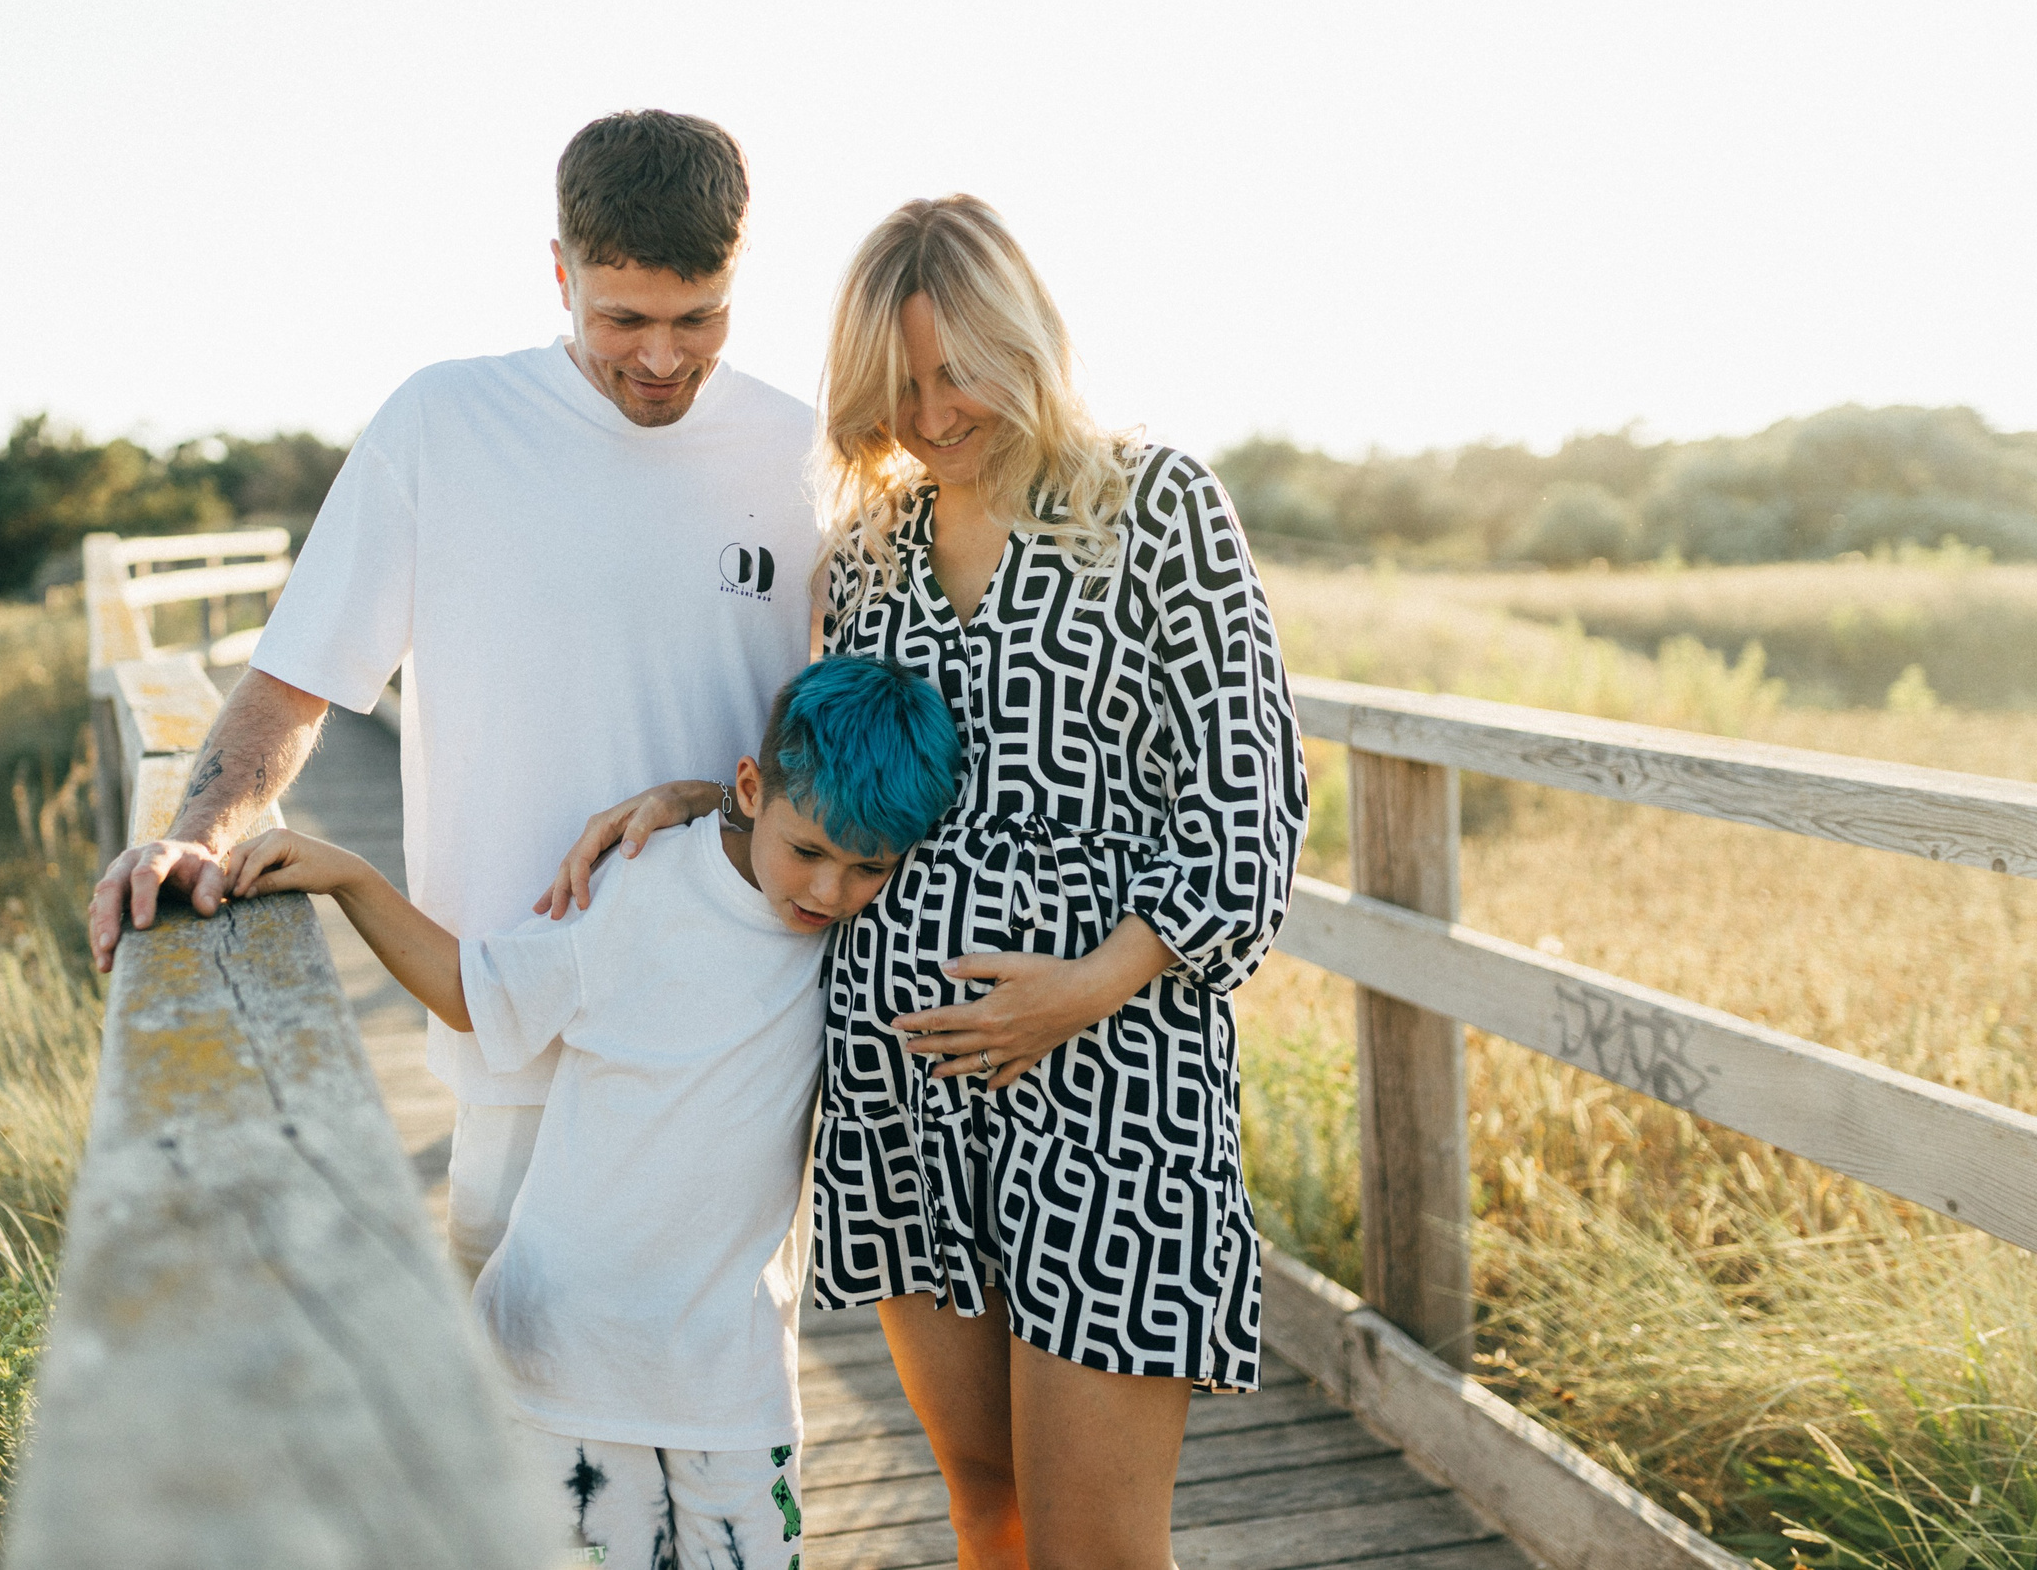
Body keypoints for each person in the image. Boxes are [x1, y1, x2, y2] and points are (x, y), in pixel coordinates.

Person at [541, 195, 1308, 1570]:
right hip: (902, 1092)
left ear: (1027, 344)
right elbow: (839, 784)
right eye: (899, 386)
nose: (935, 413)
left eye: (961, 371)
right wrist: (706, 805)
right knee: (987, 1511)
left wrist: (1082, 989)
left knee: (1095, 1546)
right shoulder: (870, 553)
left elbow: (1249, 802)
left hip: (1111, 1089)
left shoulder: (1154, 506)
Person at [86, 110, 821, 1282]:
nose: (661, 358)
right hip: (510, 1023)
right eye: (622, 319)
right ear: (559, 273)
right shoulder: (445, 425)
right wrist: (201, 832)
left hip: (733, 1044)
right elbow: (296, 681)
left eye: (699, 318)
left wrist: (710, 800)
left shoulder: (808, 456)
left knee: (726, 1378)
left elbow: (842, 734)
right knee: (504, 1375)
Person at [215, 656, 962, 1570]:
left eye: (867, 868)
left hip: (733, 1377)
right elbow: (473, 991)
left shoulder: (864, 936)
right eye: (807, 851)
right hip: (567, 1355)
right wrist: (350, 878)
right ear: (750, 788)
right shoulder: (642, 885)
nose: (828, 892)